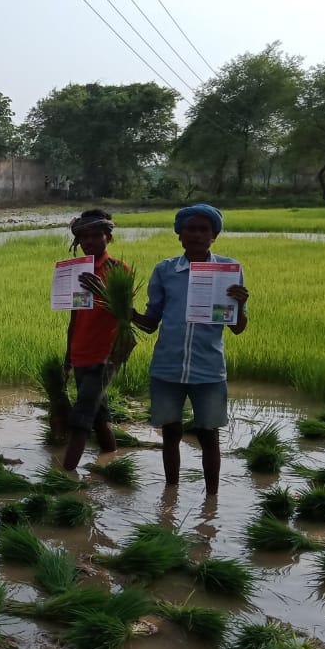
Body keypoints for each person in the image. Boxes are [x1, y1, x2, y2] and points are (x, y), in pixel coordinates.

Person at [134, 204, 249, 496]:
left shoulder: (227, 270)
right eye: (190, 229)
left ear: (214, 236)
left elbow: (237, 328)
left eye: (204, 230)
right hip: (167, 367)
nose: (197, 235)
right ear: (180, 234)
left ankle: (212, 501)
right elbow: (150, 323)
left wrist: (239, 305)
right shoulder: (165, 271)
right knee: (170, 434)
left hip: (208, 369)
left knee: (209, 435)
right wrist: (123, 309)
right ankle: (169, 494)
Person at [62, 209, 127, 470]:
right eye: (84, 237)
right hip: (80, 353)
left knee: (81, 418)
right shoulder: (76, 272)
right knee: (98, 416)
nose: (89, 241)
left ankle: (65, 476)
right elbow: (74, 318)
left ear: (108, 237)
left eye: (95, 235)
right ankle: (111, 458)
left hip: (105, 355)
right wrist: (68, 357)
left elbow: (125, 315)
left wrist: (101, 291)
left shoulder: (118, 270)